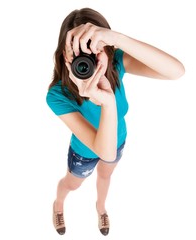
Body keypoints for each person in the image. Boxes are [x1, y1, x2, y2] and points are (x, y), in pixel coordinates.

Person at [46, 7, 185, 236]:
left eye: (93, 49)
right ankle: (58, 204)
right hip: (84, 152)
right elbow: (103, 151)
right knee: (72, 184)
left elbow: (176, 71)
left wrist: (115, 38)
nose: (87, 59)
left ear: (107, 49)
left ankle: (101, 208)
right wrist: (107, 103)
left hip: (119, 140)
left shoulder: (115, 63)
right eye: (79, 51)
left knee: (105, 176)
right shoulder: (57, 95)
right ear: (66, 54)